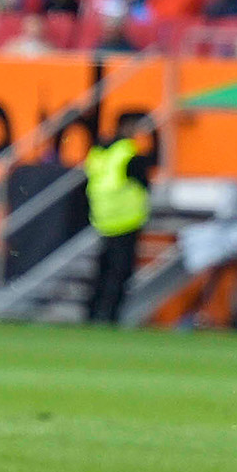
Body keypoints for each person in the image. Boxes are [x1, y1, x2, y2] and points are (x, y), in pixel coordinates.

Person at [85, 118, 154, 325]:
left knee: (103, 268)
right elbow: (143, 183)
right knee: (120, 270)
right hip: (125, 219)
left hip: (102, 217)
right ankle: (111, 314)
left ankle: (92, 312)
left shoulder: (98, 153)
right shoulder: (127, 154)